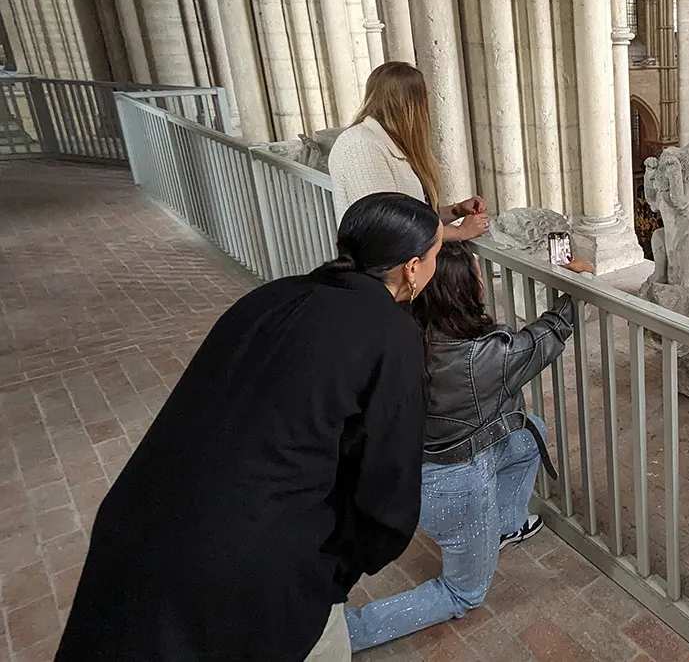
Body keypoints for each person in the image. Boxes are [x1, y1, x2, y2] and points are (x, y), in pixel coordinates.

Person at [57, 192, 443, 662]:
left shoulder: (274, 295)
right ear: (412, 268)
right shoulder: (391, 336)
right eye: (437, 255)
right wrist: (334, 572)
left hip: (140, 526)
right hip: (249, 573)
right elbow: (388, 490)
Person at [344, 241, 596, 651]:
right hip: (453, 487)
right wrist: (579, 285)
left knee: (530, 434)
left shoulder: (397, 328)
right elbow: (544, 338)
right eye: (477, 273)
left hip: (404, 467)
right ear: (465, 289)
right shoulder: (484, 356)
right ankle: (349, 632)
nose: (483, 279)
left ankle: (501, 528)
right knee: (464, 593)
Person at [329, 61, 490, 242]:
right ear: (411, 105)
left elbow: (412, 217)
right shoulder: (361, 146)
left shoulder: (384, 141)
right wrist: (460, 232)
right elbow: (387, 227)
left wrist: (456, 210)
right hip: (385, 268)